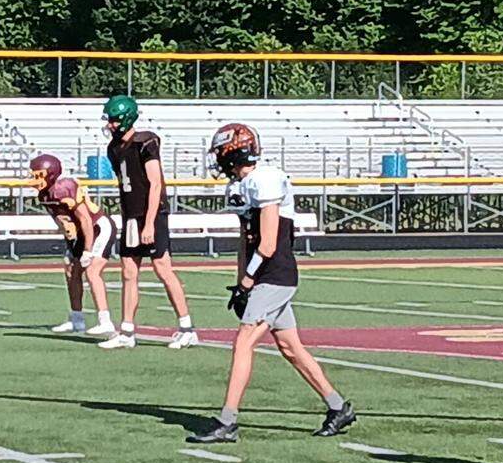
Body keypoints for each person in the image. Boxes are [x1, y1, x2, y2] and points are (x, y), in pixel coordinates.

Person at [186, 123, 356, 443]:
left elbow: (267, 243)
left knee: (243, 342)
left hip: (275, 273)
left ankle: (227, 421)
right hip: (263, 272)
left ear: (235, 151)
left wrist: (248, 281)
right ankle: (338, 407)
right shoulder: (241, 185)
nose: (218, 161)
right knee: (291, 348)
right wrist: (240, 281)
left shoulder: (265, 179)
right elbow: (244, 241)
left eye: (222, 153)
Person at [97, 95, 197, 350]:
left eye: (114, 120)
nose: (110, 125)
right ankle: (127, 331)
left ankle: (187, 328)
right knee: (128, 272)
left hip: (151, 213)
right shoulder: (113, 148)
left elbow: (155, 184)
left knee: (163, 268)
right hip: (131, 214)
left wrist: (150, 222)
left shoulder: (146, 142)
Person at [30, 154, 117, 337]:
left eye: (39, 175)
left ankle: (105, 321)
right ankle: (76, 320)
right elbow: (63, 219)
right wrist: (70, 238)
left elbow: (85, 219)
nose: (35, 179)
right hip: (78, 232)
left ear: (51, 174)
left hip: (98, 227)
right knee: (71, 271)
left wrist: (87, 250)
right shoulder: (44, 194)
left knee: (92, 271)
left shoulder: (65, 187)